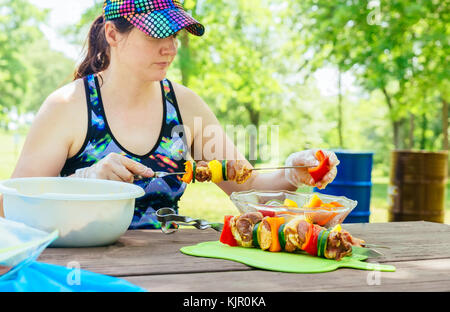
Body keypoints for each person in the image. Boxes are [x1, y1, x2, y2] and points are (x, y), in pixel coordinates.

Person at [0, 0, 339, 228]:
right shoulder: (66, 107)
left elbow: (247, 185)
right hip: (83, 269)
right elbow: (9, 208)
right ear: (113, 34)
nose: (171, 47)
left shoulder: (185, 104)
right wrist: (83, 183)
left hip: (170, 267)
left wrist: (295, 173)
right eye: (156, 35)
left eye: (174, 35)